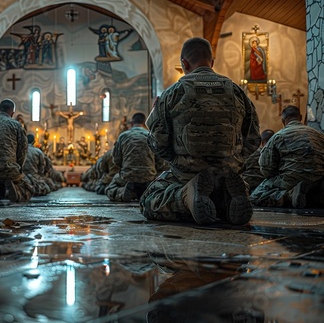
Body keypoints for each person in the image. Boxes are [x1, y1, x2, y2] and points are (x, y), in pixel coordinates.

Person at [140, 37, 261, 225]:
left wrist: (178, 160)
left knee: (149, 200)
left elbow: (158, 144)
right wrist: (231, 162)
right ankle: (227, 199)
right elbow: (253, 140)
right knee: (225, 186)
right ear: (212, 63)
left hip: (187, 175)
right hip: (227, 173)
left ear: (184, 64)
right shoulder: (236, 91)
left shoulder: (173, 92)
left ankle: (186, 196)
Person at [250, 106, 324, 208]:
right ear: (300, 117)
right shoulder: (319, 135)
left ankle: (289, 196)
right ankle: (316, 196)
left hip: (291, 179)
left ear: (283, 120)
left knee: (255, 196)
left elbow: (266, 168)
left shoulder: (278, 136)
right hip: (318, 179)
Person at [106, 112, 157, 202]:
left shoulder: (123, 136)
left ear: (131, 123)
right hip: (148, 176)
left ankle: (122, 192)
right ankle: (146, 191)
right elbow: (160, 160)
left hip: (128, 176)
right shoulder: (151, 135)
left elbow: (116, 159)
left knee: (110, 188)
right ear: (145, 123)